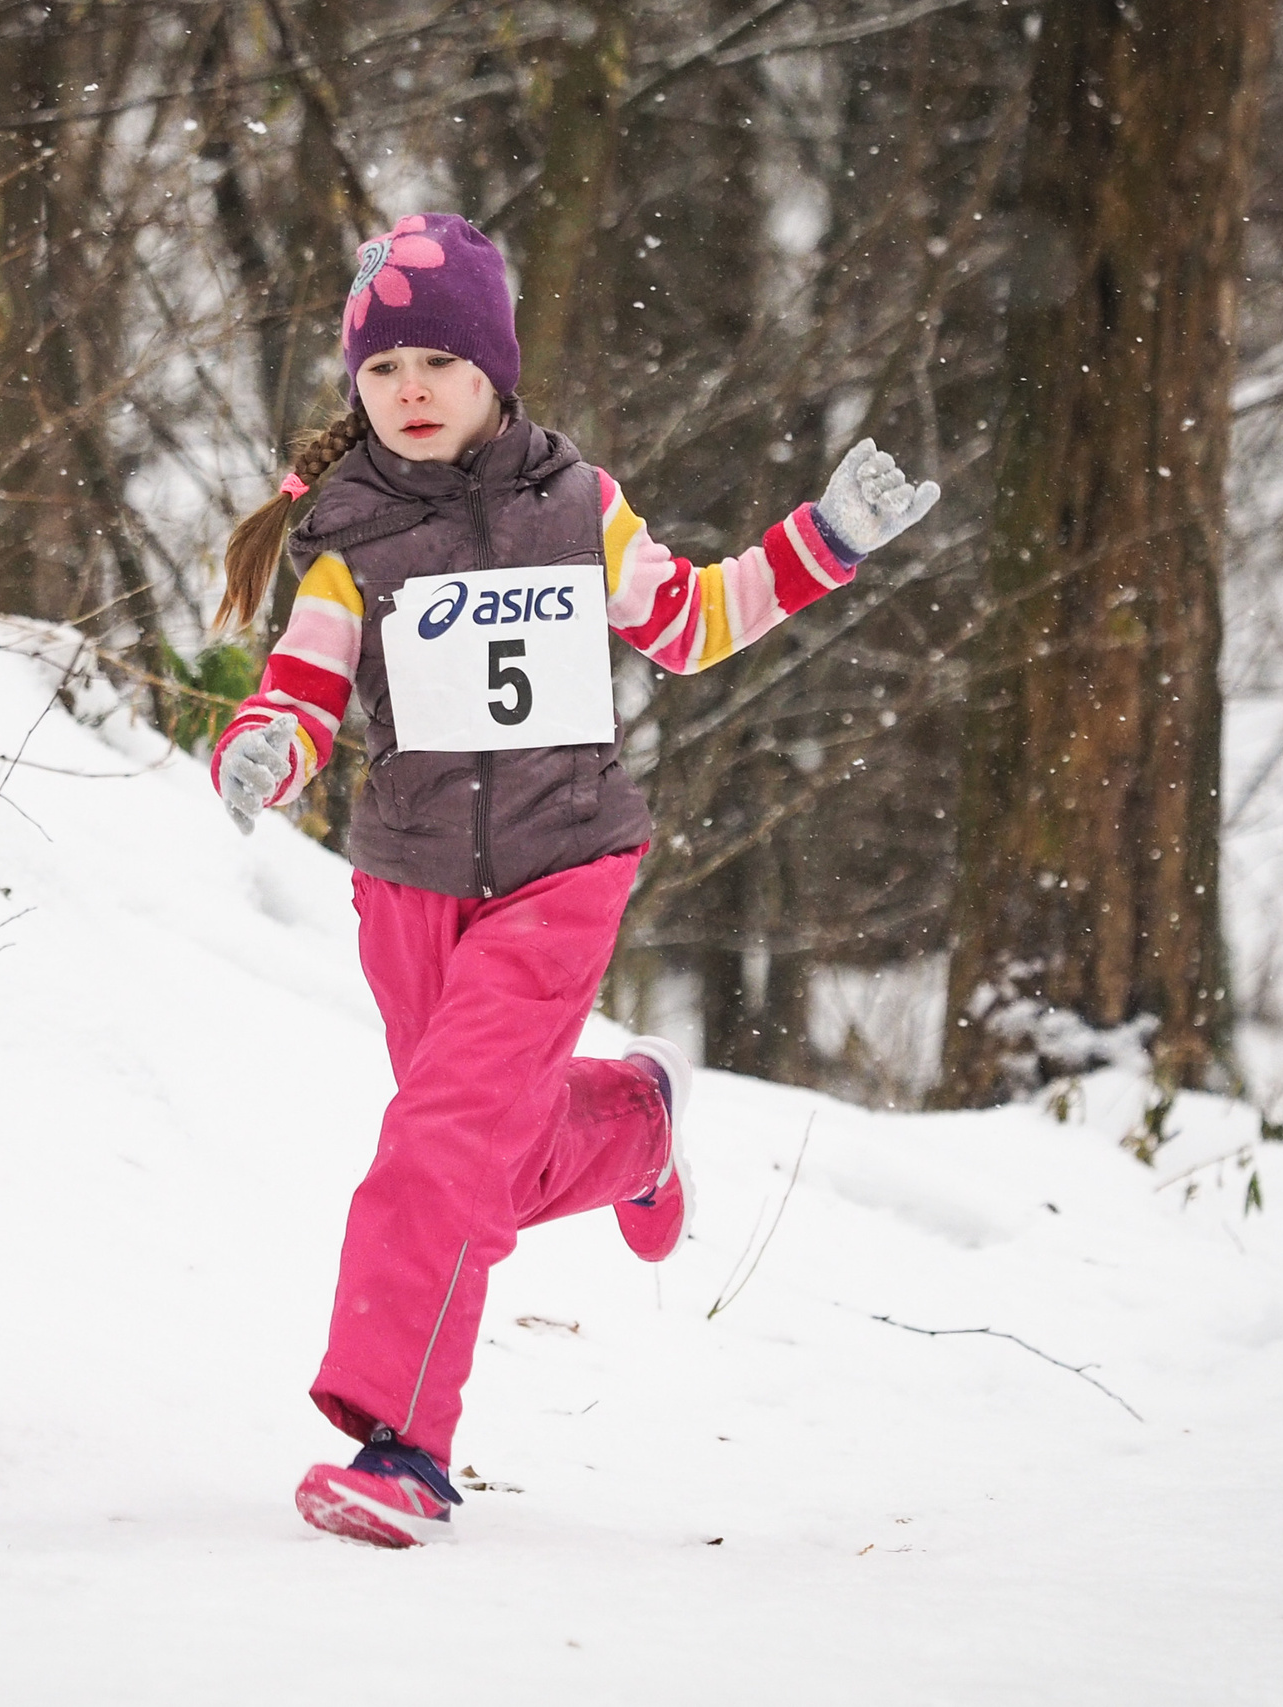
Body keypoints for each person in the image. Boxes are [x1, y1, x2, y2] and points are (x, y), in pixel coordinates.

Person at [208, 213, 937, 1547]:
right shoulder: (342, 533)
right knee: (484, 1157)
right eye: (382, 369)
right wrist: (266, 743)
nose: (410, 390)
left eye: (438, 360)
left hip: (563, 872)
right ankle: (632, 1129)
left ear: (496, 370)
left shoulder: (575, 504)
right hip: (410, 889)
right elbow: (303, 683)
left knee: (435, 1148)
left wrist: (821, 539)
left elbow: (694, 622)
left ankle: (404, 1447)